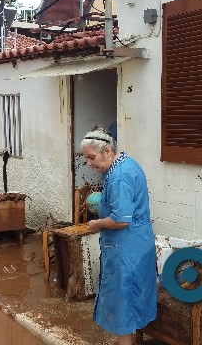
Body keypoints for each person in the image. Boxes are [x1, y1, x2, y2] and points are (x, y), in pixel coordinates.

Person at [81, 125, 157, 345]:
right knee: (132, 297)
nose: (89, 163)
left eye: (91, 157)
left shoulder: (119, 177)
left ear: (107, 152)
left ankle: (125, 341)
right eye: (86, 158)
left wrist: (97, 224)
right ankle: (129, 339)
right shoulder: (126, 164)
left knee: (123, 300)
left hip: (127, 249)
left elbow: (121, 219)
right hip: (136, 244)